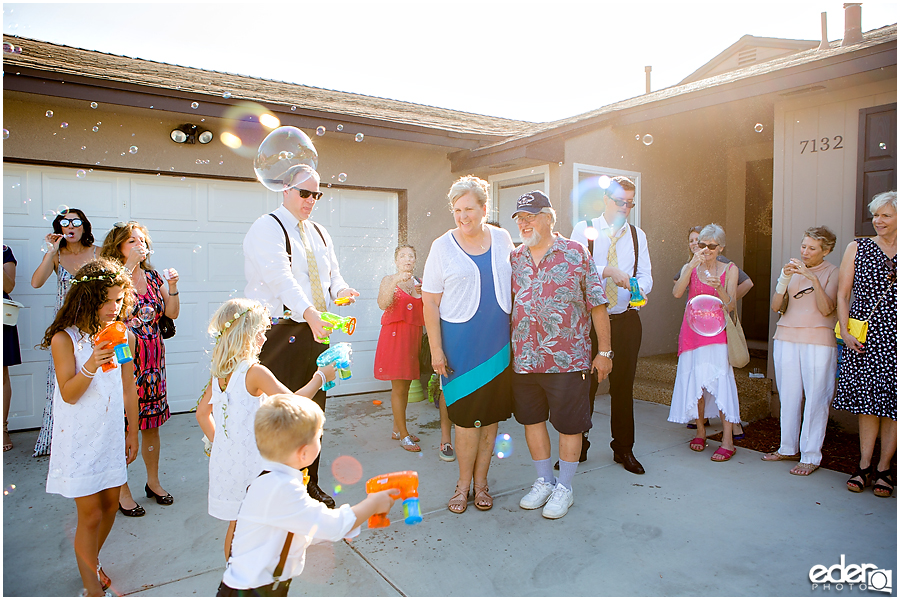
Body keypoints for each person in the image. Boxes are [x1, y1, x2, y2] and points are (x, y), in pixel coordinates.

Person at [243, 168, 359, 509]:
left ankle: (309, 486)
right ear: (285, 190)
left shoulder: (320, 233)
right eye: (304, 194)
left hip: (315, 330)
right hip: (278, 332)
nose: (311, 201)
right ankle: (273, 491)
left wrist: (341, 290)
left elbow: (332, 275)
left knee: (312, 411)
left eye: (316, 195)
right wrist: (309, 312)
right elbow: (280, 279)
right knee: (280, 413)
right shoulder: (267, 227)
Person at [216, 393, 398, 597]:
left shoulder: (273, 481)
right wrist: (373, 504)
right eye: (318, 437)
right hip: (250, 592)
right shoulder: (280, 489)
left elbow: (302, 525)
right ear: (303, 453)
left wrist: (349, 527)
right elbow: (329, 525)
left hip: (259, 588)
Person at [196, 298, 337, 560]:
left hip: (228, 465)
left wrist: (224, 445)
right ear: (245, 335)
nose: (265, 337)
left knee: (237, 525)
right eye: (260, 331)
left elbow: (203, 413)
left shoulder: (220, 374)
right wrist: (321, 377)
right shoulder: (255, 372)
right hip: (255, 467)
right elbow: (292, 404)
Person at [510, 191, 612, 520]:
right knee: (532, 422)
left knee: (570, 427)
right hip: (525, 360)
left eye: (531, 216)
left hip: (569, 360)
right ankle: (544, 480)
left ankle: (564, 487)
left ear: (549, 218)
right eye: (520, 219)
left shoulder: (575, 253)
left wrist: (605, 352)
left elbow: (598, 304)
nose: (525, 224)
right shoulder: (515, 258)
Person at [40, 259, 139, 596]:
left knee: (111, 506)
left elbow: (128, 385)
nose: (115, 308)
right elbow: (68, 394)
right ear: (87, 297)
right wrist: (91, 365)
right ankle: (91, 589)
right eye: (107, 300)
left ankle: (91, 559)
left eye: (119, 300)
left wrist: (133, 430)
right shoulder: (63, 339)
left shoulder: (121, 334)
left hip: (110, 434)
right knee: (91, 514)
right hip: (79, 438)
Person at [422, 175, 514, 514]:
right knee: (464, 420)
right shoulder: (442, 246)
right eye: (457, 210)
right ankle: (462, 485)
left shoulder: (504, 239)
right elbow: (429, 302)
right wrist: (435, 350)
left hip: (498, 345)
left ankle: (483, 483)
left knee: (490, 420)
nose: (463, 217)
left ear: (485, 208)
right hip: (459, 346)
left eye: (470, 209)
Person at [571, 176, 652, 474]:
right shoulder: (585, 229)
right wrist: (608, 271)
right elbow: (576, 266)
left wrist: (640, 289)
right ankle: (578, 447)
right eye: (620, 201)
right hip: (591, 323)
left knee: (623, 388)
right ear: (605, 199)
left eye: (630, 203)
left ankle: (623, 449)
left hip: (627, 320)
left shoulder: (637, 235)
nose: (625, 208)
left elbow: (645, 274)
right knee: (586, 386)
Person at [100, 221, 180, 516]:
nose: (139, 245)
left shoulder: (153, 276)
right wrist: (127, 269)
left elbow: (171, 313)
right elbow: (109, 314)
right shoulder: (110, 278)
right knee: (122, 425)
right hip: (123, 358)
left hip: (154, 358)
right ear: (118, 245)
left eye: (141, 240)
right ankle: (122, 491)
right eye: (131, 241)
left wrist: (172, 288)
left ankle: (153, 482)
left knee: (151, 425)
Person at [834, 191, 897, 497]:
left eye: (886, 214)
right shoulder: (857, 247)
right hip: (864, 338)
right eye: (876, 215)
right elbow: (843, 294)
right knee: (868, 403)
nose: (878, 220)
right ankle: (864, 465)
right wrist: (845, 332)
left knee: (894, 407)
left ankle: (884, 468)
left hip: (896, 338)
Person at [763, 226, 839, 476]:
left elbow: (827, 309)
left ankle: (810, 455)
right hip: (786, 336)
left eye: (812, 248)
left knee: (817, 397)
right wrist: (783, 280)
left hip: (818, 339)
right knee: (789, 395)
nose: (805, 252)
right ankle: (787, 447)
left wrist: (812, 278)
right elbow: (776, 307)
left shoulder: (833, 272)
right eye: (803, 246)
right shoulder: (792, 270)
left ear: (826, 251)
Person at [30, 208, 100, 457]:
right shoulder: (57, 256)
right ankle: (59, 435)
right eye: (64, 222)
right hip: (65, 330)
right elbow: (36, 282)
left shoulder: (97, 253)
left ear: (84, 227)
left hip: (92, 326)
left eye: (76, 222)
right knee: (64, 381)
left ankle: (89, 433)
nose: (70, 226)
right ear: (59, 228)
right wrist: (50, 253)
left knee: (92, 379)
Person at [670, 223, 741, 461]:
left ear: (720, 248)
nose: (706, 250)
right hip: (692, 332)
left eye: (711, 246)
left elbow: (730, 305)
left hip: (717, 334)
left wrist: (719, 288)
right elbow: (677, 293)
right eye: (702, 245)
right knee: (697, 384)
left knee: (721, 382)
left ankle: (728, 440)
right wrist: (691, 265)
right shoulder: (691, 266)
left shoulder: (729, 269)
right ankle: (700, 431)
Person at [374, 245, 425, 452]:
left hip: (412, 338)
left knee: (405, 386)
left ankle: (398, 429)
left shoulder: (420, 283)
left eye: (411, 256)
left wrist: (425, 295)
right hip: (394, 338)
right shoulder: (389, 280)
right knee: (398, 387)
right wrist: (396, 280)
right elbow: (382, 303)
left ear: (415, 260)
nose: (407, 259)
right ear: (396, 261)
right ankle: (404, 435)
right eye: (402, 256)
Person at [3, 245, 22, 452]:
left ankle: (2, 428)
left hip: (1, 315)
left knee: (1, 374)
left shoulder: (4, 252)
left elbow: (8, 286)